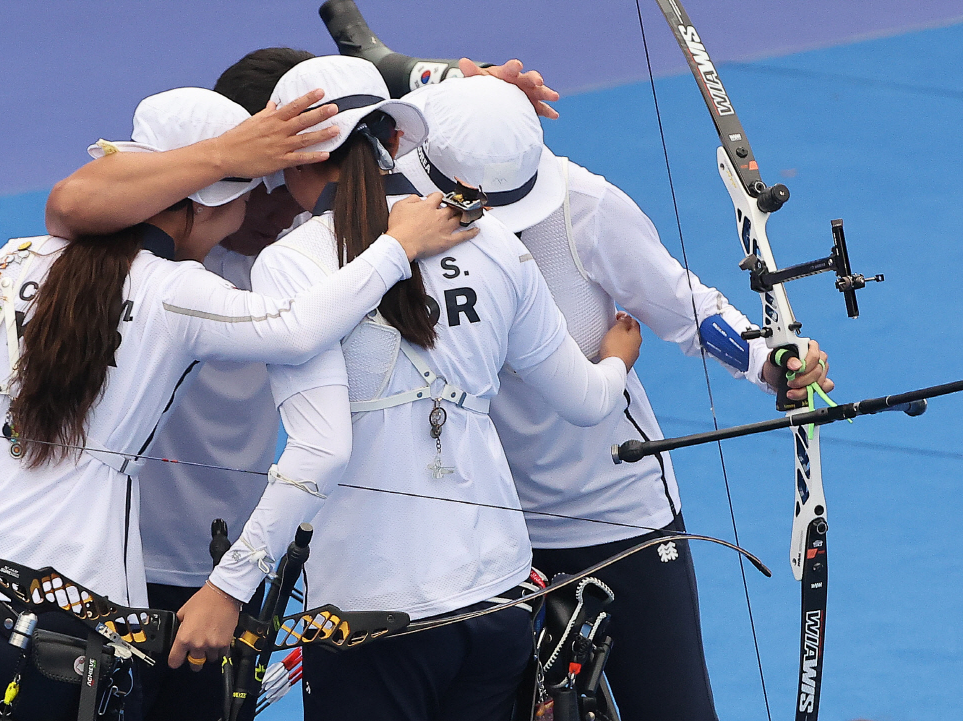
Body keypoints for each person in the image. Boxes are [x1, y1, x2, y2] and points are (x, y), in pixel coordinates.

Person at [0, 87, 475, 721]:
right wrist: (395, 247)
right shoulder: (179, 291)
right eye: (242, 196)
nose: (249, 211)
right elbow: (299, 328)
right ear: (204, 203)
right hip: (75, 622)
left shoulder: (9, 263)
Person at [45, 46, 560, 721]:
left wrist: (472, 93)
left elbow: (388, 131)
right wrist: (230, 157)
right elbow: (68, 202)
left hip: (240, 570)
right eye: (249, 172)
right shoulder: (176, 248)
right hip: (126, 565)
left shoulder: (332, 238)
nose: (264, 193)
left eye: (281, 169)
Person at [171, 55, 644, 721]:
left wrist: (229, 586)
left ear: (294, 162)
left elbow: (321, 450)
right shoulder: (494, 242)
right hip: (498, 600)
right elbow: (589, 402)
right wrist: (617, 360)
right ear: (395, 141)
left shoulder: (289, 264)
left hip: (369, 613)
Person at [394, 74, 834, 721]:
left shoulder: (587, 207)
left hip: (614, 515)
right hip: (483, 534)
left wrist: (772, 361)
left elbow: (687, 308)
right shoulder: (394, 213)